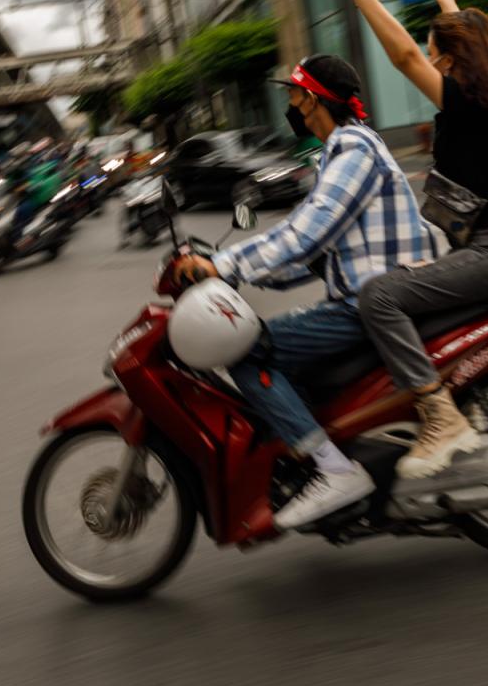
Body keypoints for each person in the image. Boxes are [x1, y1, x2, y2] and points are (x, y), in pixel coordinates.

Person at [171, 55, 434, 530]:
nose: (289, 104)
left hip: (367, 304)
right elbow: (314, 253)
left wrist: (222, 263)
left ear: (311, 99)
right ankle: (319, 453)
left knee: (247, 351)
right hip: (360, 295)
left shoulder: (354, 148)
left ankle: (334, 471)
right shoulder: (337, 152)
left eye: (293, 94)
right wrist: (238, 274)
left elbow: (305, 234)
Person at [316, 0, 488, 480]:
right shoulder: (487, 99)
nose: (426, 50)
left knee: (379, 297)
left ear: (451, 59)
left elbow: (404, 57)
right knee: (395, 289)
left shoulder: (466, 102)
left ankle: (440, 418)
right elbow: (452, 45)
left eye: (435, 46)